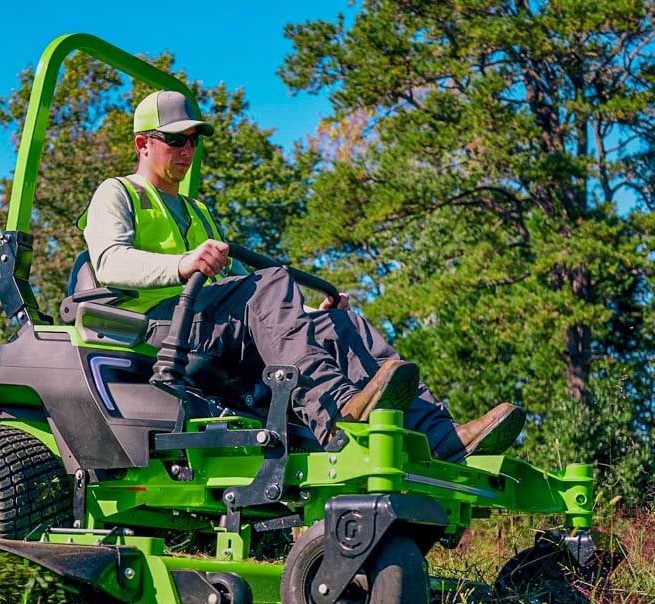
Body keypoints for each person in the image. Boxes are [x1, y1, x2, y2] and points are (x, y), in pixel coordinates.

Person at [82, 90, 524, 460]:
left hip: (216, 323)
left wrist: (312, 311)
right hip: (161, 328)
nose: (187, 151)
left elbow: (242, 285)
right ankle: (331, 410)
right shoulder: (117, 193)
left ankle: (442, 437)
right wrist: (183, 263)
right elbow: (109, 262)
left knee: (341, 323)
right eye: (175, 141)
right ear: (143, 143)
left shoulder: (198, 211)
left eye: (194, 142)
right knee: (273, 277)